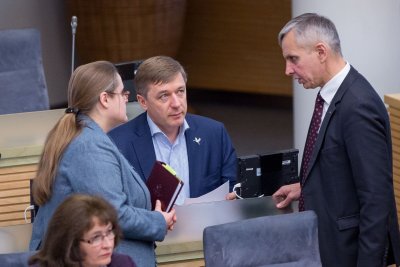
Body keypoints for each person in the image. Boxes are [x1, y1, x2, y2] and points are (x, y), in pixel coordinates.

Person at [272, 13, 400, 267]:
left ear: (321, 51)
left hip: (350, 255)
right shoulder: (332, 96)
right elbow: (340, 165)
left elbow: (376, 200)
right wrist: (306, 187)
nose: (287, 70)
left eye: (293, 59)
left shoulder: (358, 106)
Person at [29, 61, 176, 267]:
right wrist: (158, 221)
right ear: (105, 99)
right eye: (123, 93)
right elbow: (114, 213)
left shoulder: (88, 138)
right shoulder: (89, 147)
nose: (127, 99)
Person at [108, 56, 237, 203]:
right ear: (143, 102)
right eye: (164, 96)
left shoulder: (214, 133)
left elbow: (232, 187)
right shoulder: (118, 143)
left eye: (180, 91)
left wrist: (233, 197)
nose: (176, 103)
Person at [29, 194, 136, 267]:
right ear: (70, 243)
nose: (108, 245)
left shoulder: (123, 263)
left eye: (109, 232)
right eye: (96, 237)